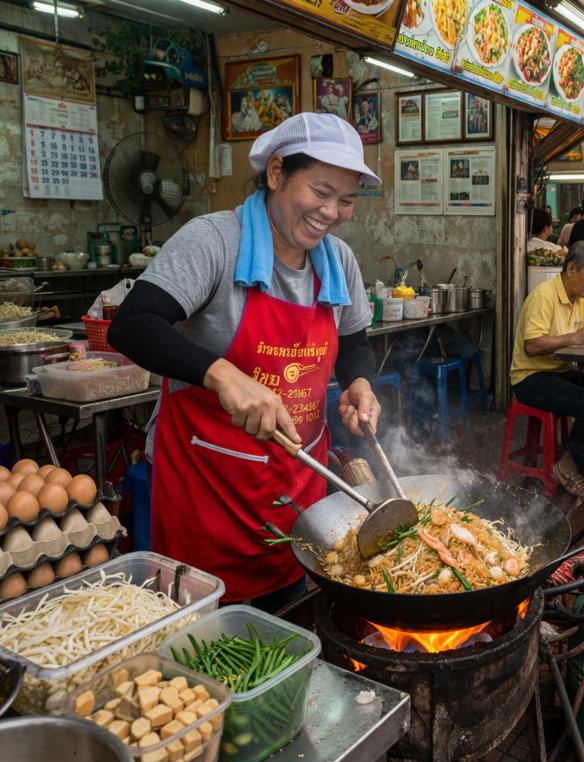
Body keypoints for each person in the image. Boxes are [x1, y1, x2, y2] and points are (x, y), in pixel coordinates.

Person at [107, 113, 383, 611]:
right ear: (276, 172)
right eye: (321, 191)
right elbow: (133, 323)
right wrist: (222, 375)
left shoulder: (338, 259)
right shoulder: (214, 241)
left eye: (346, 199)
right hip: (207, 489)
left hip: (297, 485)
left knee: (287, 620)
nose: (332, 212)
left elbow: (354, 341)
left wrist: (359, 381)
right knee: (201, 640)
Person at [510, 241, 584, 499]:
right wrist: (576, 337)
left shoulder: (578, 298)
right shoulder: (544, 296)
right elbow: (531, 346)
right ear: (571, 269)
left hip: (560, 370)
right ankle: (567, 465)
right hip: (530, 377)